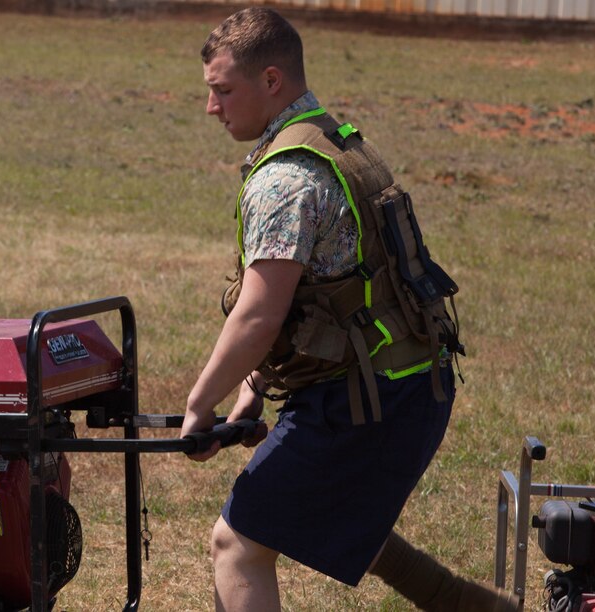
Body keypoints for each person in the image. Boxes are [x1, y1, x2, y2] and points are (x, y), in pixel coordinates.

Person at [178, 8, 520, 611]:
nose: (212, 107)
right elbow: (333, 292)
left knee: (239, 542)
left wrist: (198, 403)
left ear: (272, 81)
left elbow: (260, 315)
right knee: (321, 507)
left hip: (369, 398)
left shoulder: (285, 177)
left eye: (223, 90)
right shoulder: (336, 141)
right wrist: (253, 389)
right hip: (407, 382)